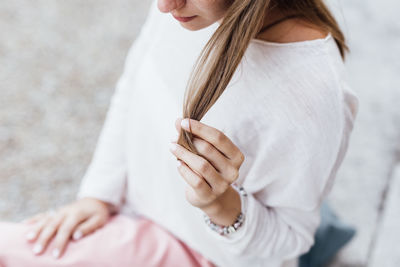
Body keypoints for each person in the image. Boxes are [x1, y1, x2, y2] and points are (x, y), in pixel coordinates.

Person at [0, 0, 359, 266]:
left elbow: (288, 239)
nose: (163, 5)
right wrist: (99, 194)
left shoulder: (312, 92)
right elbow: (134, 85)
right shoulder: (188, 13)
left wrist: (222, 206)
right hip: (135, 214)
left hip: (202, 253)